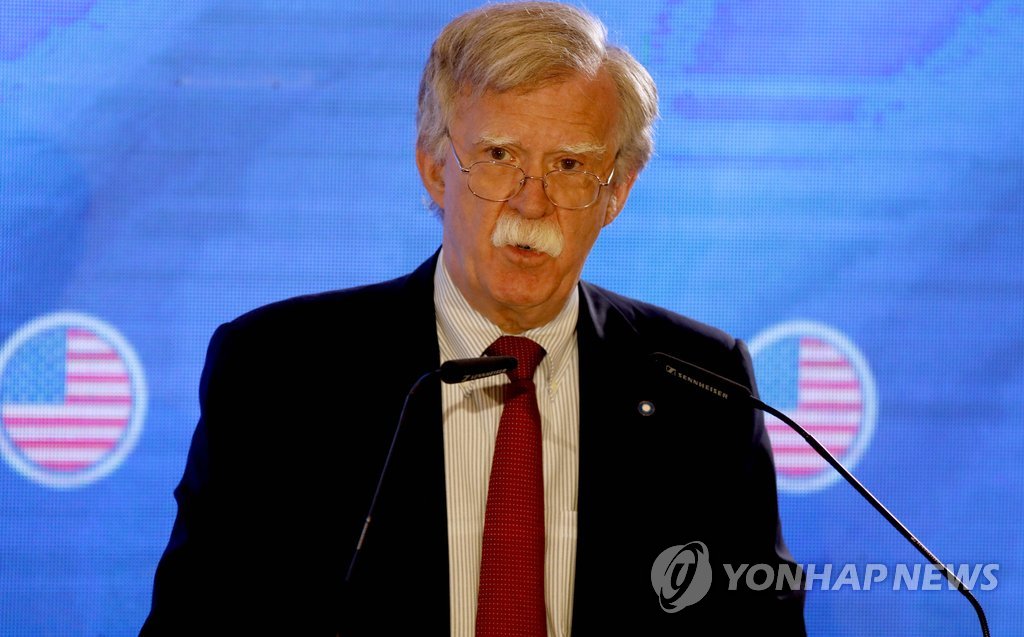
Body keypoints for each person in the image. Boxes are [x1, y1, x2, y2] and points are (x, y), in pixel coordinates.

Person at [140, 2, 806, 635]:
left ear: (617, 192)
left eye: (569, 165)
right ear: (435, 169)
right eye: (498, 157)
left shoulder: (700, 384)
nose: (532, 202)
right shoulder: (280, 369)